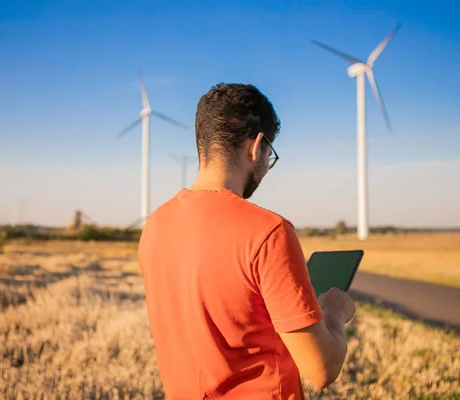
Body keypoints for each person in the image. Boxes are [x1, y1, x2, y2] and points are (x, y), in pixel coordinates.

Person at [138, 83, 356, 399]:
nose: (267, 166)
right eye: (270, 154)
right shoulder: (269, 232)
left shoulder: (155, 225)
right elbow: (321, 369)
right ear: (256, 147)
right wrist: (334, 313)